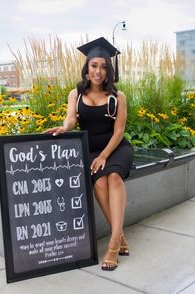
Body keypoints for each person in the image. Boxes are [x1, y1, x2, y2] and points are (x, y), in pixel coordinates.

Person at [46, 37, 134, 271]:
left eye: (104, 67)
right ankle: (121, 235)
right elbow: (72, 120)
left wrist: (105, 155)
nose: (99, 71)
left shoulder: (118, 97)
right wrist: (64, 127)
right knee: (99, 183)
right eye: (94, 66)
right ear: (87, 69)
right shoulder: (75, 94)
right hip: (91, 150)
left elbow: (119, 132)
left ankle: (114, 243)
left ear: (109, 70)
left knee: (113, 177)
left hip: (115, 148)